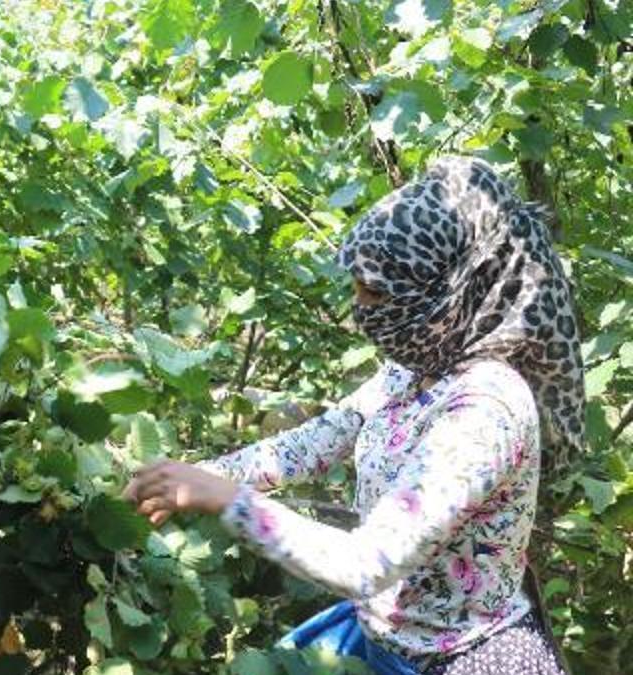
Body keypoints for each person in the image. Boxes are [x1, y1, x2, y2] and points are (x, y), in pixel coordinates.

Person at [124, 156, 583, 674]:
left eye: (376, 292)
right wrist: (203, 475)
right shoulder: (416, 368)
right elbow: (317, 442)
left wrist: (229, 500)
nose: (358, 307)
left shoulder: (486, 409)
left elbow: (367, 564)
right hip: (382, 639)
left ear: (447, 293)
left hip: (460, 660)